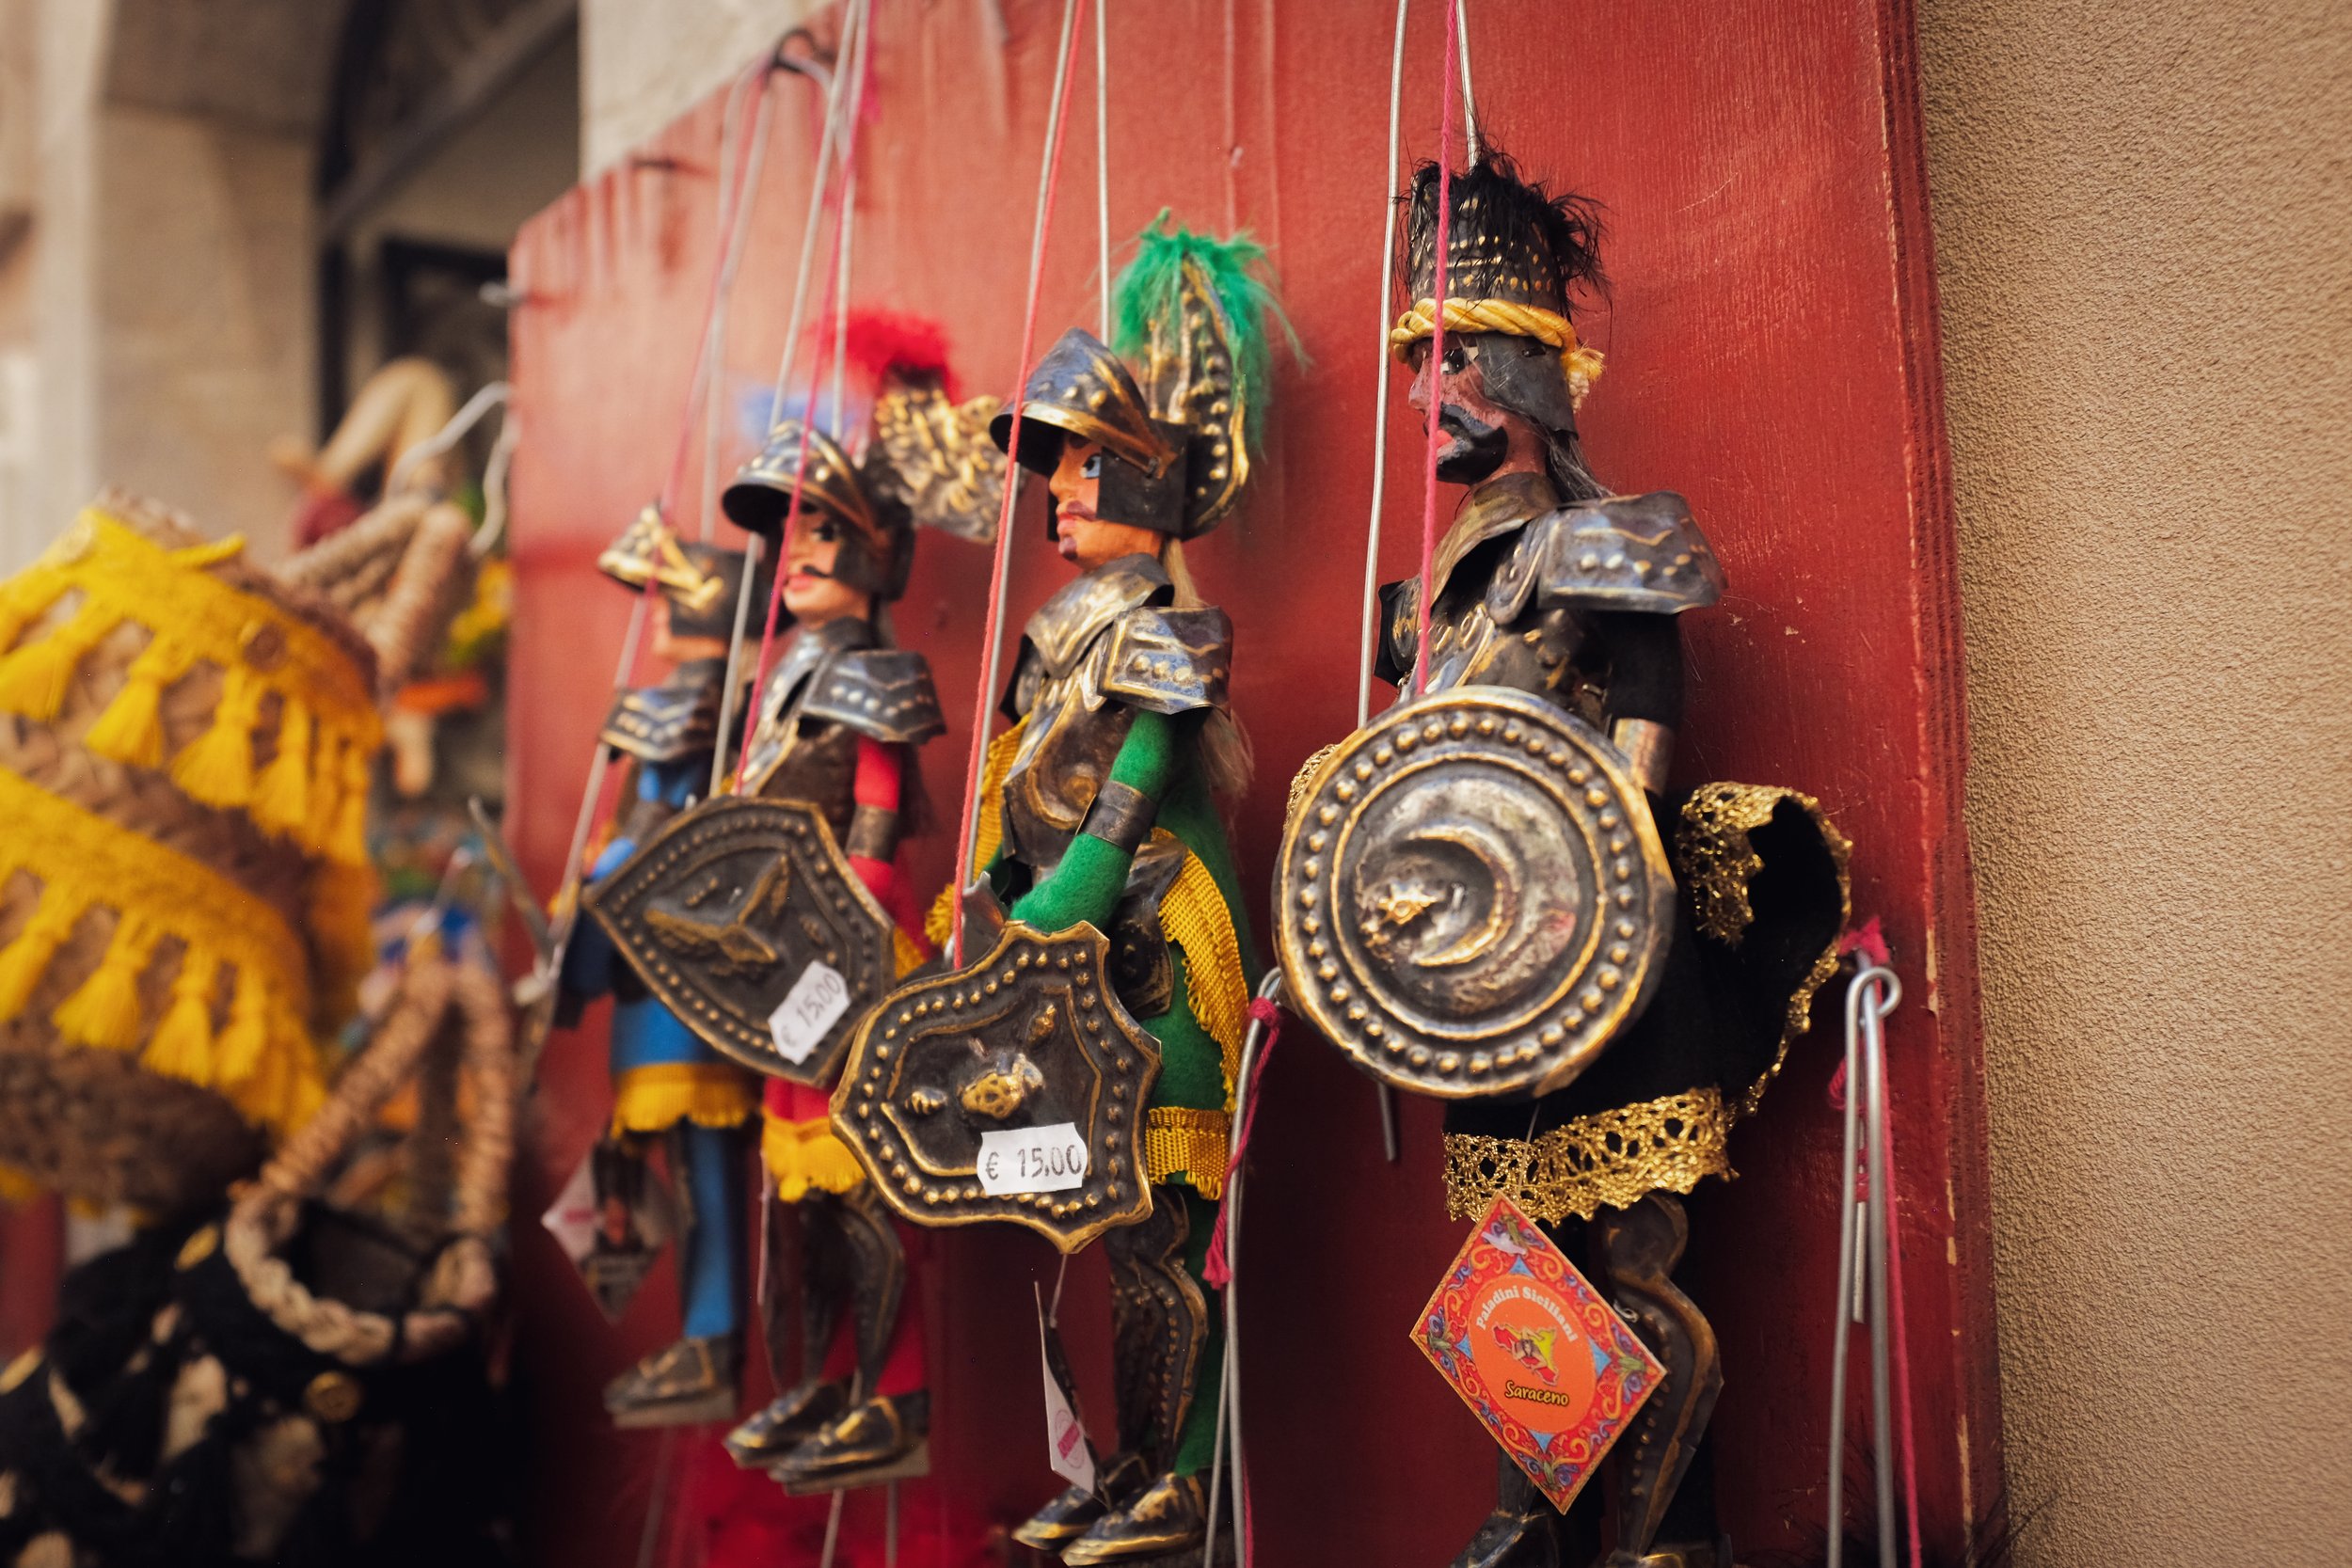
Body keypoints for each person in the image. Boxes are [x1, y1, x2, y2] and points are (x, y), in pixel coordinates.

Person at [1363, 153, 1851, 1568]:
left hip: (1613, 983)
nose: (1423, 395)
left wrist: (1587, 959)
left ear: (1520, 374)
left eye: (1448, 360)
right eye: (1420, 362)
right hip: (1474, 999)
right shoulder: (1421, 605)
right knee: (1518, 1279)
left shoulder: (1604, 545)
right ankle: (1546, 1517)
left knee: (1635, 1271)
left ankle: (1662, 1541)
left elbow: (1637, 776)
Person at [953, 220, 1279, 1565]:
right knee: (1096, 1234)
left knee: (1168, 1239)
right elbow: (1015, 800)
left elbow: (1124, 797)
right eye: (1058, 471)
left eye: (1086, 467)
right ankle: (1124, 1464)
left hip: (1151, 943)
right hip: (1057, 961)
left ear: (1152, 475)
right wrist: (981, 904)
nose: (1060, 495)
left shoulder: (1173, 632)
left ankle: (1182, 1478)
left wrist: (1030, 927)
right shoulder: (1051, 638)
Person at [710, 368, 995, 1484]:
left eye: (824, 527)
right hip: (769, 968)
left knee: (863, 1186)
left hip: (845, 964)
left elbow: (876, 841)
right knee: (797, 1195)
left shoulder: (873, 673)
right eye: (789, 531)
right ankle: (821, 1376)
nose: (799, 552)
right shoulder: (776, 675)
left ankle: (896, 1391)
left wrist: (825, 932)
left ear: (877, 545)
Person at [556, 511, 769, 1427]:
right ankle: (704, 1331)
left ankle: (713, 1334)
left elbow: (646, 833)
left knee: (702, 1174)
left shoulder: (693, 704)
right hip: (665, 970)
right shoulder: (721, 703)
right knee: (688, 1173)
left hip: (677, 977)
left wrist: (588, 896)